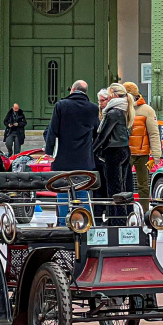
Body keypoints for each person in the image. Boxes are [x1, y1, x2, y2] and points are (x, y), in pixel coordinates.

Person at [44, 80, 99, 225]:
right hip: (84, 158)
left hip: (63, 157)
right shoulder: (93, 108)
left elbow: (52, 130)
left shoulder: (61, 106)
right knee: (83, 190)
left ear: (72, 90)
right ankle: (84, 222)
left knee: (62, 190)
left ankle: (63, 222)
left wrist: (49, 152)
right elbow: (96, 132)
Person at [92, 83, 135, 225]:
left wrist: (93, 149)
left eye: (109, 94)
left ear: (115, 95)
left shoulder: (113, 113)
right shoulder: (124, 109)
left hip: (113, 151)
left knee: (113, 189)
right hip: (124, 150)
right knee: (121, 186)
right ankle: (120, 219)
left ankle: (116, 220)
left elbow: (103, 134)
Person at [123, 82, 162, 212]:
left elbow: (153, 132)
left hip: (139, 154)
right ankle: (128, 210)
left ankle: (145, 211)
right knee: (137, 184)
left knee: (143, 185)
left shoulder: (146, 110)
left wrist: (156, 154)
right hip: (131, 153)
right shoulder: (143, 109)